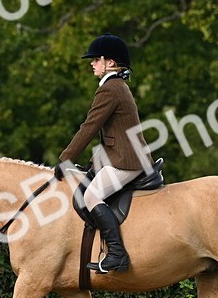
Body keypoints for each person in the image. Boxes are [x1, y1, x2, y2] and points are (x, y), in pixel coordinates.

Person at [55, 33, 154, 273]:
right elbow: (112, 136)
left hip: (127, 162)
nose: (92, 64)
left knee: (90, 197)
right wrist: (91, 165)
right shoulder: (117, 86)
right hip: (122, 156)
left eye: (95, 59)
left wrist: (65, 159)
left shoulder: (111, 89)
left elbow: (89, 127)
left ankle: (117, 254)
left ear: (110, 62)